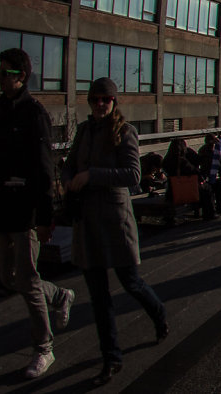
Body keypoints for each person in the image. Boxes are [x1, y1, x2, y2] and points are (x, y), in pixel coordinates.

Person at [0, 48, 75, 379]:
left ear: (21, 77)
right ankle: (60, 295)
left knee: (27, 280)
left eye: (5, 73)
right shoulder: (0, 112)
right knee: (8, 277)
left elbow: (45, 170)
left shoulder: (34, 113)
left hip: (25, 211)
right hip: (1, 209)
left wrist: (45, 218)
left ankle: (44, 348)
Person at [62, 78, 168, 386]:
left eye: (105, 100)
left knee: (131, 282)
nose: (99, 105)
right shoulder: (83, 132)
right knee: (98, 296)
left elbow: (133, 174)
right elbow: (69, 165)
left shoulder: (124, 132)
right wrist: (68, 178)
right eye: (95, 99)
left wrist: (90, 176)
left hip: (114, 219)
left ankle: (158, 313)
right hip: (87, 222)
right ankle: (112, 357)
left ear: (113, 102)